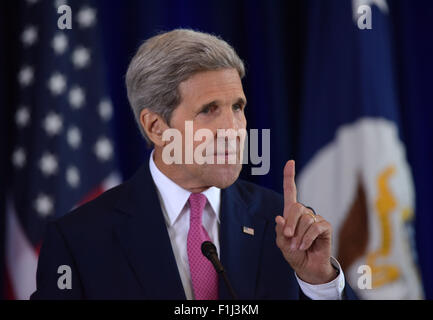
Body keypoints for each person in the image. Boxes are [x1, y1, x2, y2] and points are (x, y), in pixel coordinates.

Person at [31, 29, 356, 300]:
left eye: (237, 107)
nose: (234, 130)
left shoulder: (286, 227)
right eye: (209, 109)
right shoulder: (80, 240)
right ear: (156, 127)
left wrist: (319, 281)